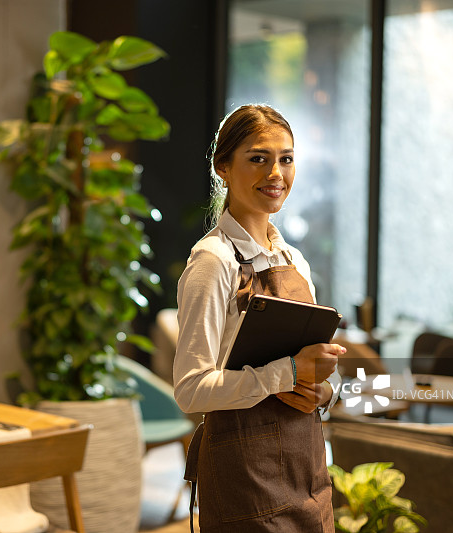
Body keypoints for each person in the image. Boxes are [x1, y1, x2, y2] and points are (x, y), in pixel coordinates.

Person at [174, 104, 345, 532]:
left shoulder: (295, 261)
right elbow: (191, 389)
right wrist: (286, 374)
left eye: (286, 159)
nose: (276, 173)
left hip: (307, 472)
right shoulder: (212, 263)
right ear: (223, 168)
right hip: (244, 480)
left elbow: (317, 369)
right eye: (258, 158)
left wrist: (323, 392)